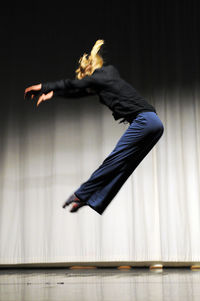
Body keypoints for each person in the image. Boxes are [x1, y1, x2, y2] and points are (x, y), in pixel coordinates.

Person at [24, 39, 164, 215]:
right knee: (124, 165)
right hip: (155, 124)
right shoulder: (108, 77)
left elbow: (74, 85)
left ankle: (82, 194)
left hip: (144, 122)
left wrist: (43, 87)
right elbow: (79, 91)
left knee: (114, 160)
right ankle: (95, 199)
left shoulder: (101, 76)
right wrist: (55, 93)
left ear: (89, 70)